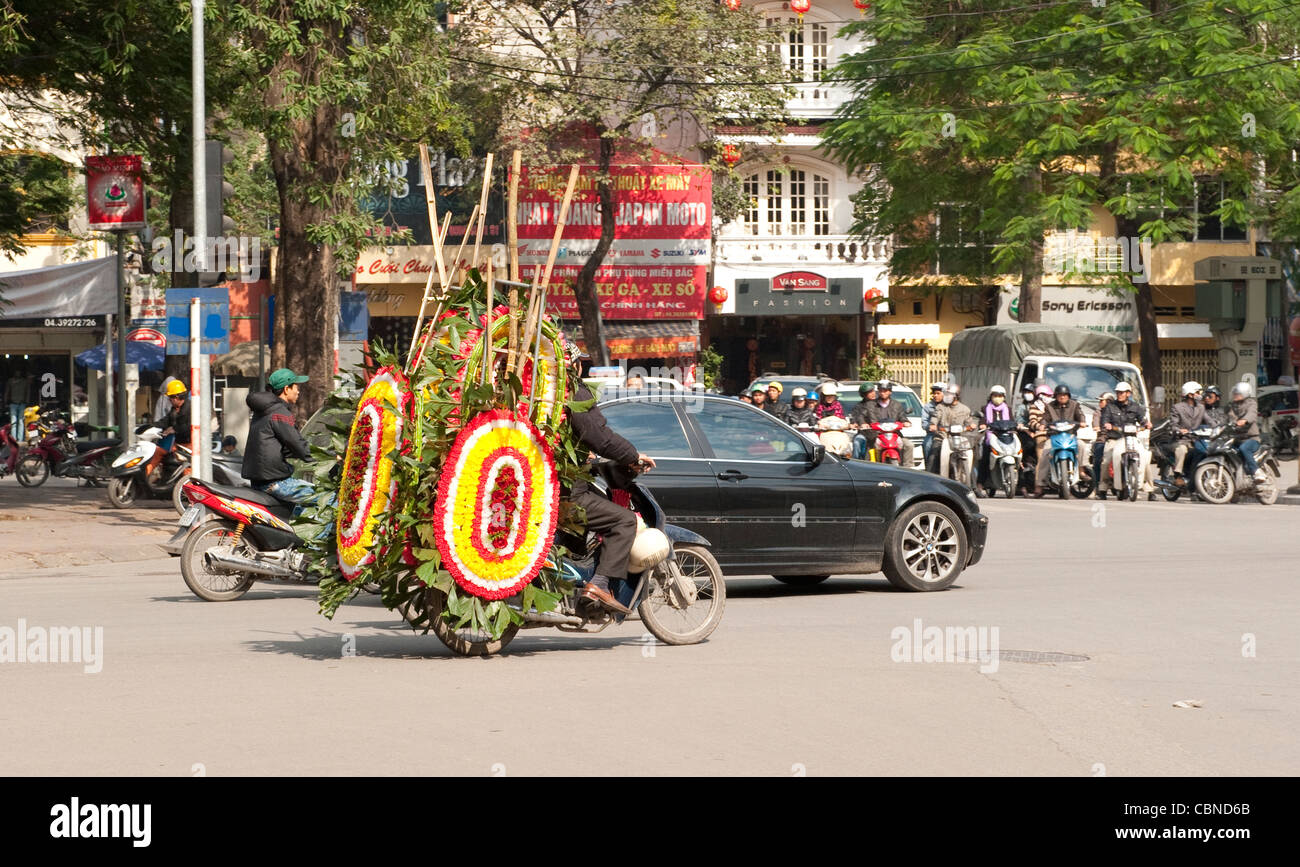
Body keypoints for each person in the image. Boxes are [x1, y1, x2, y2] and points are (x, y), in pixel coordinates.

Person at [563, 343, 657, 615]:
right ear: (574, 365)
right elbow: (600, 437)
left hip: (554, 486)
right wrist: (633, 456)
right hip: (568, 493)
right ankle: (600, 584)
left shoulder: (545, 396)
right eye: (581, 362)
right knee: (624, 520)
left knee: (600, 505)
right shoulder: (572, 393)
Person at [241, 368, 314, 508]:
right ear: (287, 389)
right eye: (296, 387)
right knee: (327, 497)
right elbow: (297, 444)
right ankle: (304, 531)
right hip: (274, 482)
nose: (298, 391)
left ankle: (295, 529)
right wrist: (327, 457)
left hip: (259, 481)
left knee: (300, 506)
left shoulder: (263, 411)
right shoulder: (279, 412)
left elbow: (282, 447)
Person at [1098, 381, 1150, 499]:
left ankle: (1149, 488)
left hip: (1131, 439)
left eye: (1122, 392)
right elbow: (1104, 419)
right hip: (1114, 439)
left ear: (1128, 394)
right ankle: (1102, 488)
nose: (1119, 394)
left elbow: (1142, 419)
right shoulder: (1110, 407)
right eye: (1118, 392)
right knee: (1106, 461)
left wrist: (1146, 424)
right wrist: (1107, 424)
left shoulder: (1135, 407)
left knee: (1145, 457)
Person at [1041, 385, 1087, 491]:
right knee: (1045, 453)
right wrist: (1042, 424)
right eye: (1060, 395)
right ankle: (1040, 484)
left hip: (1071, 436)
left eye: (1065, 395)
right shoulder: (1050, 406)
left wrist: (1082, 422)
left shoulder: (1074, 405)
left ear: (1068, 396)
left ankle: (1081, 470)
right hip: (1054, 437)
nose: (1062, 397)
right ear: (1056, 396)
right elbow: (1045, 418)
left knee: (1082, 445)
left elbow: (1080, 415)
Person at [931, 384, 977, 480]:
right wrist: (933, 425)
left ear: (956, 396)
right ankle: (930, 481)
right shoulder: (940, 407)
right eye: (946, 394)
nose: (947, 396)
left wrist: (972, 425)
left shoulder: (965, 409)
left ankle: (973, 486)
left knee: (970, 457)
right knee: (933, 454)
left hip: (959, 439)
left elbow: (969, 421)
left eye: (950, 394)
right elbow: (935, 417)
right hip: (943, 438)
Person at [1228, 381, 1269, 485]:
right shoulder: (1232, 406)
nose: (1235, 395)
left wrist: (1245, 420)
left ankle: (1256, 471)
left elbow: (1252, 414)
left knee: (1244, 448)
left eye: (1238, 394)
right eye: (1235, 393)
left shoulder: (1251, 403)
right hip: (1236, 438)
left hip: (1251, 438)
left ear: (1245, 393)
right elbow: (1228, 417)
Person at [864, 380, 913, 466]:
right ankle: (868, 470)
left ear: (890, 391)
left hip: (895, 435)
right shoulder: (871, 405)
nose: (883, 393)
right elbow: (863, 416)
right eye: (881, 390)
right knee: (869, 449)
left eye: (885, 390)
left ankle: (908, 468)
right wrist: (863, 423)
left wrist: (906, 422)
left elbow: (902, 416)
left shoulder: (897, 405)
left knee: (908, 445)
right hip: (876, 435)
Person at [1169, 381, 1206, 486]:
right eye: (1198, 392)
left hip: (1196, 440)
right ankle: (1178, 475)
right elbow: (1173, 424)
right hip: (1181, 440)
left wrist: (1218, 427)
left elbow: (1208, 420)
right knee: (1182, 450)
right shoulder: (1177, 407)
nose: (1200, 395)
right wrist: (1179, 430)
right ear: (1190, 394)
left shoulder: (1201, 407)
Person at [978, 385, 1012, 492]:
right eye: (995, 395)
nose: (998, 398)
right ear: (991, 397)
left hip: (1005, 436)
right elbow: (983, 420)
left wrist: (1018, 425)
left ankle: (1019, 483)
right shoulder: (985, 408)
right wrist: (983, 425)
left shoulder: (1008, 409)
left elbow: (1012, 421)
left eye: (1000, 396)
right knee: (985, 457)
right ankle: (980, 483)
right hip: (991, 435)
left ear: (1004, 397)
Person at [1026, 384, 1052, 497]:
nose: (1048, 397)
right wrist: (1038, 426)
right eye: (1046, 395)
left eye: (1049, 395)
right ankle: (1039, 487)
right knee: (1042, 459)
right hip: (1041, 435)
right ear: (1039, 396)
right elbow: (1032, 421)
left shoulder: (1052, 406)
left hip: (1055, 434)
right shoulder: (1034, 407)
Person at [1091, 391, 1114, 496]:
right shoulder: (1098, 412)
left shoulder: (1116, 410)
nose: (1099, 403)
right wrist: (1097, 427)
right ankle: (1097, 485)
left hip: (1116, 439)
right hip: (1103, 439)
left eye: (1102, 401)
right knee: (1098, 459)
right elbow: (1095, 422)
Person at [921, 382, 944, 472]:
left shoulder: (948, 406)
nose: (935, 395)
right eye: (934, 393)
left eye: (938, 393)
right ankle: (929, 470)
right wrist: (930, 426)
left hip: (948, 434)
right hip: (933, 435)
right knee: (927, 445)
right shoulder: (928, 407)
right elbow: (924, 423)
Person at [849, 382, 876, 459]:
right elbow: (855, 417)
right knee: (857, 442)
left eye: (873, 391)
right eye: (869, 392)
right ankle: (856, 463)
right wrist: (859, 423)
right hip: (865, 434)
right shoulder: (858, 406)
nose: (873, 393)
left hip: (880, 434)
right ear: (863, 395)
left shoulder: (879, 404)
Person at [4, 367, 30, 441]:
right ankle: (14, 439)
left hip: (22, 403)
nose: (18, 373)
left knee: (21, 422)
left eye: (19, 372)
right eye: (16, 372)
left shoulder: (24, 381)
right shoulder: (10, 381)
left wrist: (27, 401)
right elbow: (7, 391)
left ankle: (20, 439)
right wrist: (6, 402)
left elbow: (27, 391)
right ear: (14, 372)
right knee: (13, 423)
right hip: (13, 403)